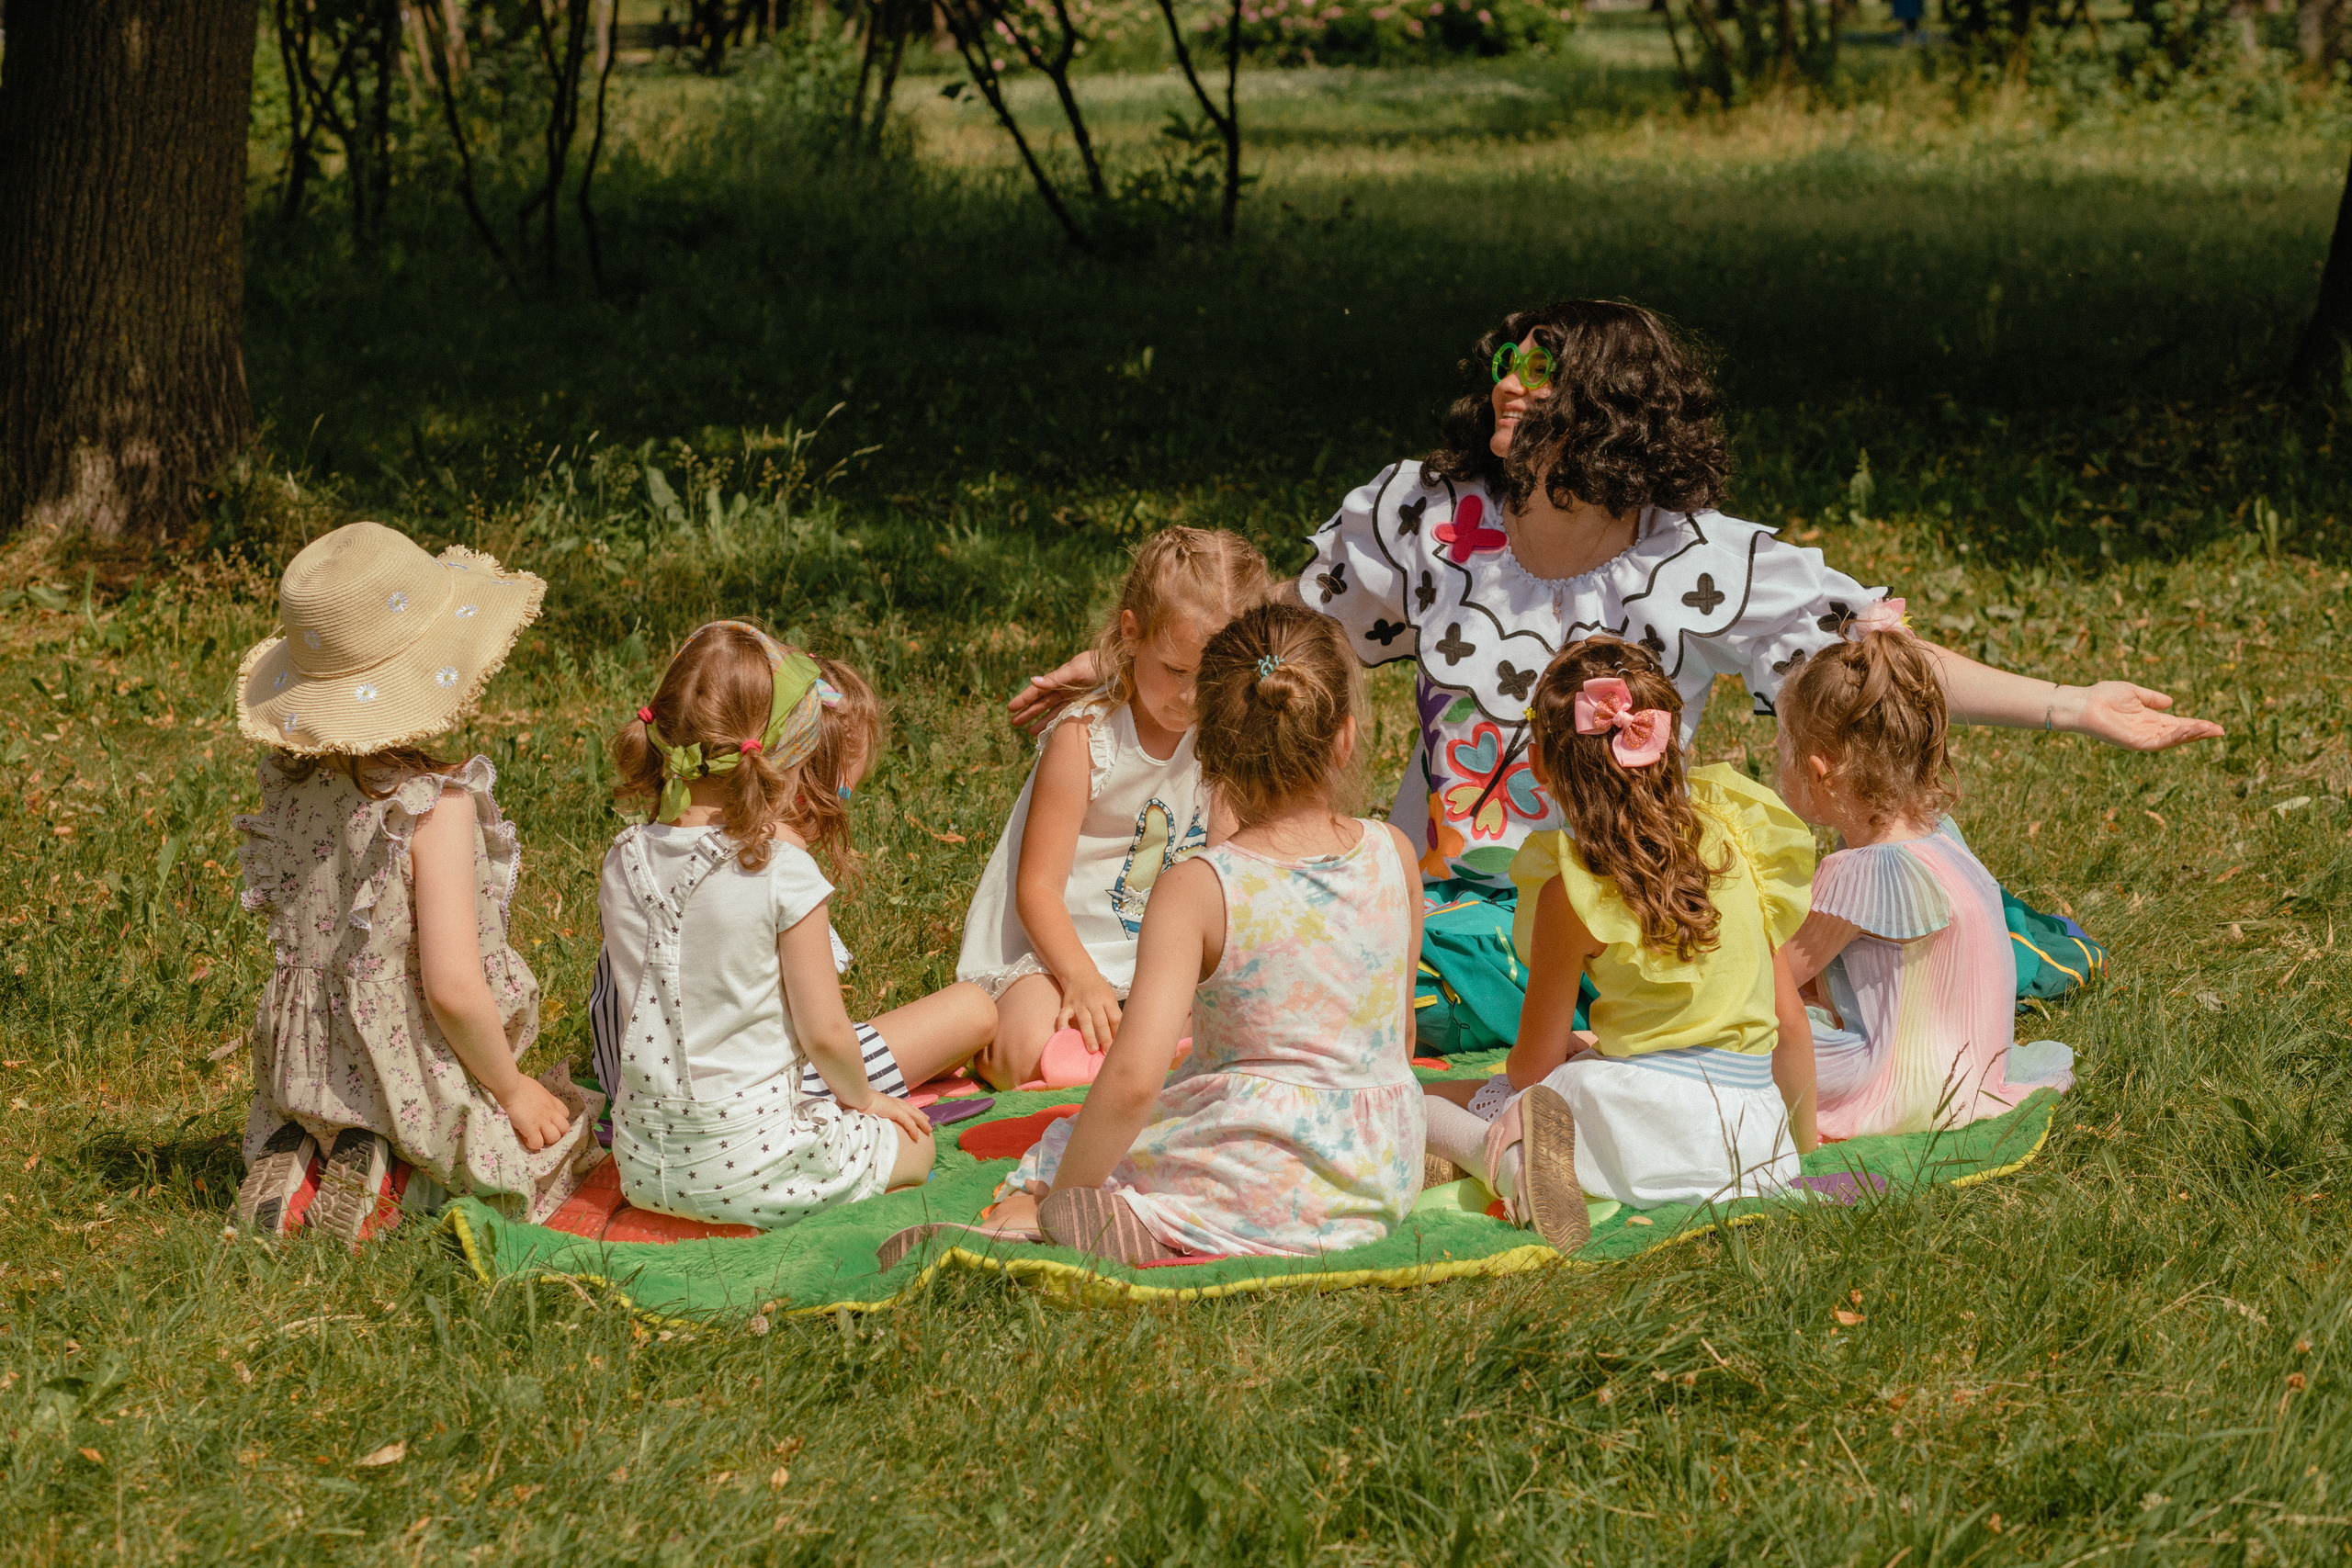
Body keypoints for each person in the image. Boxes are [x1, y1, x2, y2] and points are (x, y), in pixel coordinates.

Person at [1009, 300, 2218, 919]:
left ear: (1611, 407)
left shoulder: (1693, 561)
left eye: (1542, 373)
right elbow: (1279, 626)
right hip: (1432, 889)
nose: (1508, 388)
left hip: (1614, 893)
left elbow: (1871, 660)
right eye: (1506, 367)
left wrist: (2073, 704)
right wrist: (1125, 667)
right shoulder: (1425, 516)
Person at [958, 604, 1427, 1265]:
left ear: (1207, 749)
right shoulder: (1395, 852)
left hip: (1261, 1179)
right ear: (1346, 737)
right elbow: (1398, 1040)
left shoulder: (1201, 888)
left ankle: (1133, 1219)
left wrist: (1058, 1197)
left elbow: (1130, 1080)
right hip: (1384, 1165)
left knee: (1075, 1142)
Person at [232, 522, 604, 1241]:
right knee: (562, 1136)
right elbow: (452, 988)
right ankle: (395, 1170)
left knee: (351, 1108)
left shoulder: (295, 789)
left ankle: (310, 1147)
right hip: (408, 1067)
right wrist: (511, 1087)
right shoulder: (434, 802)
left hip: (304, 1068)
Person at [1422, 637, 1818, 1251]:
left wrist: (1574, 1058)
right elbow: (1790, 1025)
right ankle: (1504, 1154)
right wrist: (1799, 1152)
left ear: (1542, 765)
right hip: (1753, 1139)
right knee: (1571, 1069)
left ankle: (1505, 1163)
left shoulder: (1573, 889)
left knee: (1419, 1102)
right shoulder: (1736, 840)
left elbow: (1531, 1068)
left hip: (1638, 1126)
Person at [597, 623, 992, 1229]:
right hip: (751, 1166)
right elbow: (827, 1036)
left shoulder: (623, 857)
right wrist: (866, 1102)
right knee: (918, 1145)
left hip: (643, 1167)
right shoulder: (782, 868)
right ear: (783, 750)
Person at [957, 527, 1270, 1089]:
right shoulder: (1085, 740)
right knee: (1025, 1038)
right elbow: (1038, 891)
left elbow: (1226, 872)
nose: (1191, 696)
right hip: (1054, 953)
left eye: (1213, 677)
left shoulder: (1222, 737)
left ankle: (1114, 1066)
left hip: (1159, 956)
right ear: (1132, 634)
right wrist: (1081, 978)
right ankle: (1121, 1066)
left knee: (1248, 1013)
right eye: (1176, 670)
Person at [1775, 601, 2075, 1139]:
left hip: (1904, 1089)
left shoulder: (1860, 871)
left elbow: (1770, 981)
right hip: (1976, 1074)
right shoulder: (1941, 835)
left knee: (1742, 1049)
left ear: (1819, 773)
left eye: (1781, 752)